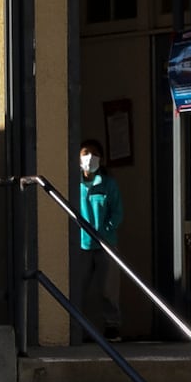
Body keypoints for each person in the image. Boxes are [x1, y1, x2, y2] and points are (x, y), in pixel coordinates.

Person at [77, 138, 124, 341]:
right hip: (80, 245)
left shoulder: (108, 184)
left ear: (101, 159)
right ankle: (76, 328)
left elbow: (117, 213)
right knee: (78, 288)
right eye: (85, 153)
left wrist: (106, 230)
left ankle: (112, 327)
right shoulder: (74, 183)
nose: (90, 158)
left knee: (109, 289)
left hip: (105, 244)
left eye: (95, 154)